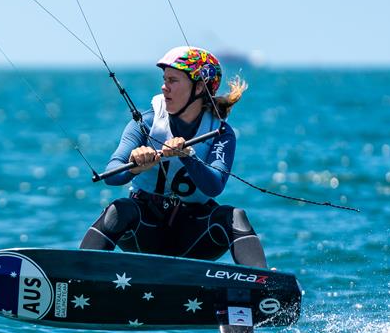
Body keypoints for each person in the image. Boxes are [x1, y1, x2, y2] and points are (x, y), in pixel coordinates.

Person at [79, 46, 267, 268]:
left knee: (234, 216)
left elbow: (214, 186)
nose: (164, 86)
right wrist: (134, 167)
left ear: (199, 87)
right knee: (119, 209)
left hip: (193, 234)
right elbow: (111, 174)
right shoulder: (146, 124)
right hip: (145, 229)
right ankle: (78, 272)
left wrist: (188, 156)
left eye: (173, 80)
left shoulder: (221, 133)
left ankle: (264, 283)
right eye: (164, 79)